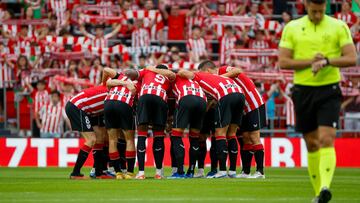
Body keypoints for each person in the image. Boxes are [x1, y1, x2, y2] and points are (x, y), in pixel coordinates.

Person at [279, 0, 357, 202]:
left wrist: (327, 61)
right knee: (312, 144)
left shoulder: (338, 26)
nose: (317, 15)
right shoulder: (293, 27)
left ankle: (325, 186)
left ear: (326, 8)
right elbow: (284, 61)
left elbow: (351, 57)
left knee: (326, 138)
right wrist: (312, 62)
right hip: (303, 91)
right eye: (314, 11)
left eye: (321, 11)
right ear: (306, 6)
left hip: (329, 89)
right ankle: (318, 194)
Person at [178, 60, 245, 178]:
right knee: (231, 134)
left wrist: (194, 74)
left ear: (206, 70)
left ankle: (222, 171)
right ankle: (232, 171)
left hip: (225, 96)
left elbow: (182, 72)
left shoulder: (201, 76)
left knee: (220, 134)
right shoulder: (220, 79)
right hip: (239, 94)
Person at [217, 66, 266, 179]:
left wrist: (219, 78)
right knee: (245, 138)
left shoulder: (222, 70)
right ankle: (246, 171)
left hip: (254, 103)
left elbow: (238, 70)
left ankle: (260, 172)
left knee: (254, 137)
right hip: (243, 108)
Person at [133, 64, 176, 179]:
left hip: (145, 96)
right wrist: (170, 118)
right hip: (160, 98)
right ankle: (158, 172)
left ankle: (141, 173)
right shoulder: (169, 78)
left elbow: (132, 77)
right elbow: (172, 98)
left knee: (142, 135)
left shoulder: (147, 72)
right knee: (158, 135)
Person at [65, 84, 112, 179]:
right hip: (78, 107)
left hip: (89, 110)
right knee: (91, 140)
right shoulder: (114, 91)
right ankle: (75, 173)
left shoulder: (110, 86)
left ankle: (98, 172)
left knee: (99, 139)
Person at [167, 70, 207, 179]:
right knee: (194, 138)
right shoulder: (194, 81)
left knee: (176, 135)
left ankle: (180, 172)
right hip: (203, 101)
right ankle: (191, 171)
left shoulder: (173, 78)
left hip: (187, 98)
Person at [102, 68, 138, 179]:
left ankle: (118, 173)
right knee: (129, 140)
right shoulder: (139, 82)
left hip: (108, 103)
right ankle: (130, 172)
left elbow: (107, 77)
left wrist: (105, 84)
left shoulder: (119, 77)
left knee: (112, 139)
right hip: (124, 104)